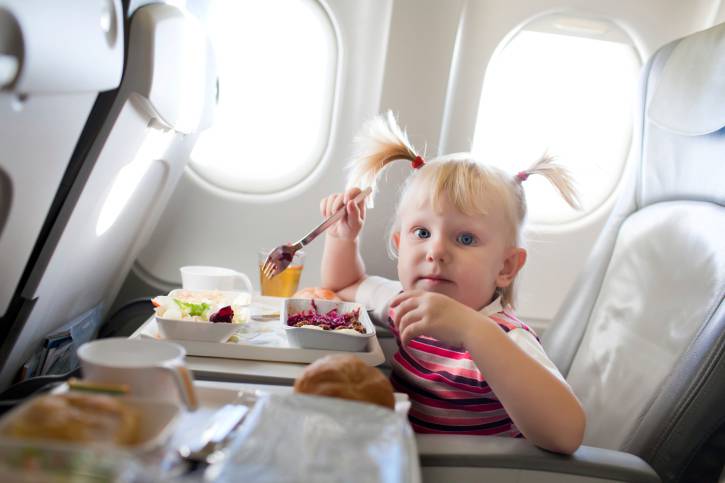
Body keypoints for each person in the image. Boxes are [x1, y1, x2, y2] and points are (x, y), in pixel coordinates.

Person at [319, 111, 586, 454]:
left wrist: (472, 330)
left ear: (506, 266)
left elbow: (566, 434)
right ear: (400, 245)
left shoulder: (504, 337)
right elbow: (345, 284)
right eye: (422, 233)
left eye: (465, 239)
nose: (436, 251)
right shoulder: (407, 304)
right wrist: (343, 238)